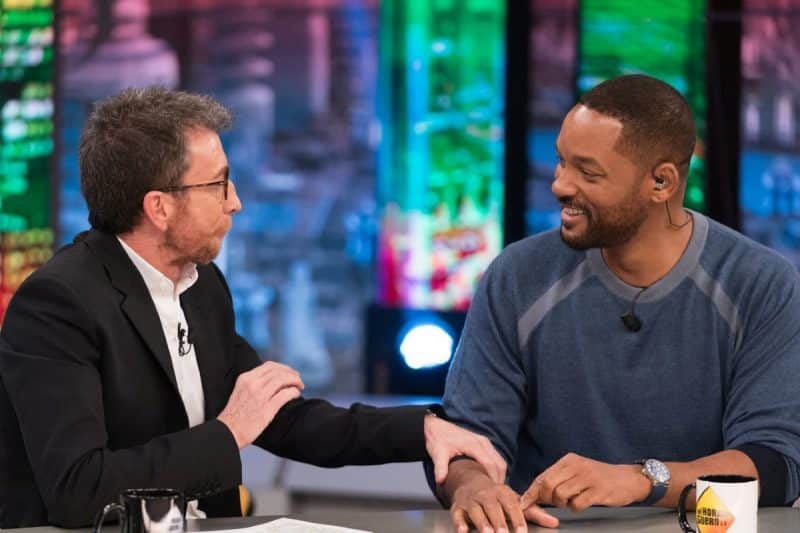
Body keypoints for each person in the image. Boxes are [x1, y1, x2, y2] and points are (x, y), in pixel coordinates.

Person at [0, 88, 505, 528]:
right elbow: (80, 489)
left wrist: (421, 429)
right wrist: (229, 432)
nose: (235, 202)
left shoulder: (200, 285)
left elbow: (282, 419)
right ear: (160, 207)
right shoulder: (59, 305)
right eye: (218, 184)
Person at [433, 74, 800, 532]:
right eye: (561, 162)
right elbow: (463, 439)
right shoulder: (516, 276)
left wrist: (641, 480)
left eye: (588, 173)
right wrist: (472, 487)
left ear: (661, 182)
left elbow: (773, 465)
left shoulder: (761, 284)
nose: (560, 185)